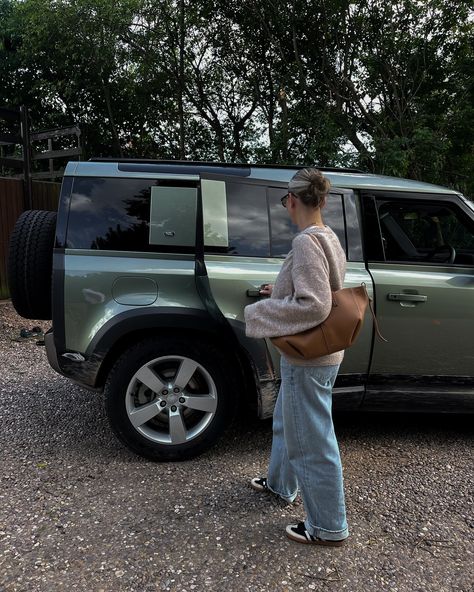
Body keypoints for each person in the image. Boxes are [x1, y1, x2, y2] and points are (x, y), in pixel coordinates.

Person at [244, 167, 348, 546]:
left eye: (285, 200)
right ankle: (280, 484)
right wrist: (282, 287)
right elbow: (318, 286)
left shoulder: (306, 242)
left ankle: (328, 526)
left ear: (291, 200)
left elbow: (315, 304)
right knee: (290, 424)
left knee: (313, 441)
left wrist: (260, 313)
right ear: (320, 200)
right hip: (322, 353)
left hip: (309, 358)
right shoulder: (327, 237)